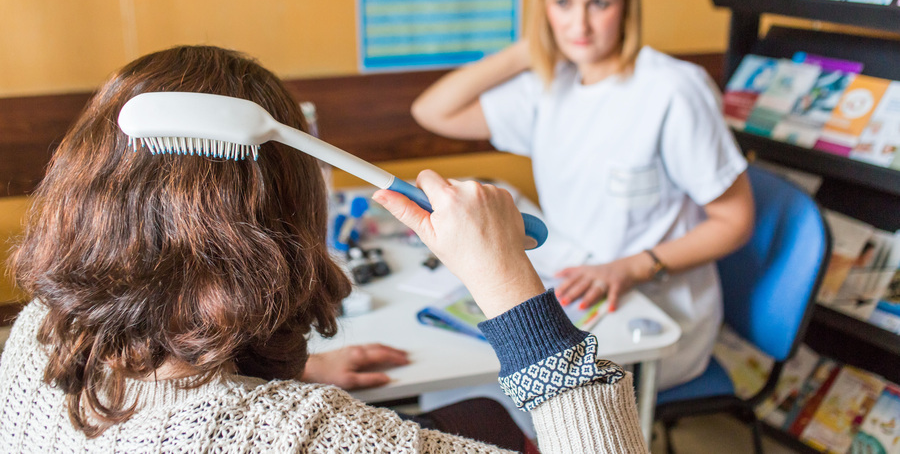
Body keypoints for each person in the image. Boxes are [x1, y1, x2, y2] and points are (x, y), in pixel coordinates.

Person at [0, 45, 646, 452]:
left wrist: (292, 375)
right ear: (285, 212)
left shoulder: (40, 336)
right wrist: (510, 285)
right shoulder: (303, 436)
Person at [411, 0, 755, 395]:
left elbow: (735, 221)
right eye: (563, 3)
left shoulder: (672, 90)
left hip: (654, 313)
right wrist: (529, 48)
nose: (580, 26)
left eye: (599, 3)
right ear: (544, 6)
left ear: (627, 3)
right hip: (576, 291)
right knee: (457, 374)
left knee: (491, 389)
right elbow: (432, 111)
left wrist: (629, 268)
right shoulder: (550, 84)